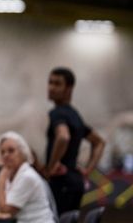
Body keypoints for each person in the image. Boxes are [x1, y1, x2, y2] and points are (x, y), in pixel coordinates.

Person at [42, 67, 105, 215]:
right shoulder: (74, 115)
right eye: (50, 82)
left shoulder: (57, 113)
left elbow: (63, 136)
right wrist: (88, 170)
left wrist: (51, 168)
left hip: (61, 182)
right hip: (76, 183)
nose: (51, 87)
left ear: (69, 88)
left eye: (57, 84)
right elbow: (99, 143)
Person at [0, 131, 57, 223]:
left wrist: (0, 182)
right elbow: (5, 210)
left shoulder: (27, 176)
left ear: (22, 152)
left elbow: (7, 211)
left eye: (11, 150)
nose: (6, 155)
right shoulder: (12, 176)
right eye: (2, 152)